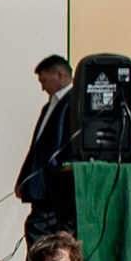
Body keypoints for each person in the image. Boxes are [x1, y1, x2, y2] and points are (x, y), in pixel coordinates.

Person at [16, 53, 76, 242]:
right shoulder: (50, 106)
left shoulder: (73, 102)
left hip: (56, 186)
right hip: (42, 187)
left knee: (40, 233)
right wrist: (23, 179)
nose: (42, 87)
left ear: (59, 74)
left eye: (44, 81)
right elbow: (37, 147)